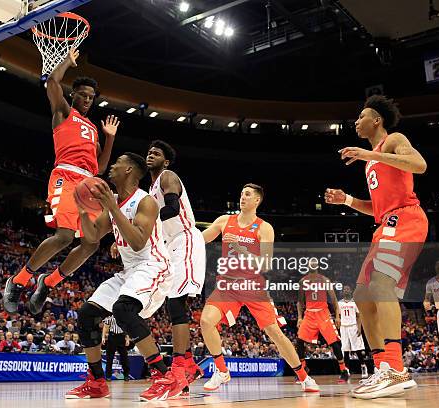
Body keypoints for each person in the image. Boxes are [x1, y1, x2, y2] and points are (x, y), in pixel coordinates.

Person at [325, 95, 427, 399]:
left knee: (382, 286)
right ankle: (383, 367)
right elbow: (377, 207)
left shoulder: (394, 140)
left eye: (361, 116)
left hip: (406, 218)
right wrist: (346, 200)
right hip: (386, 222)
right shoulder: (371, 161)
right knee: (362, 297)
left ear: (376, 120)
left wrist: (374, 154)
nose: (356, 121)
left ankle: (397, 368)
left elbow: (419, 165)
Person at [3, 48, 119, 315]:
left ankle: (48, 282)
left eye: (91, 97)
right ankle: (18, 281)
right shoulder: (64, 112)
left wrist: (109, 137)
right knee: (65, 236)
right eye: (83, 95)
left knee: (92, 243)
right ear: (73, 95)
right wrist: (67, 61)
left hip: (89, 183)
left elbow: (100, 167)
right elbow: (52, 82)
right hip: (66, 177)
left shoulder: (92, 129)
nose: (88, 100)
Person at [66, 153, 184, 401]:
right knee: (88, 313)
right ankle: (97, 381)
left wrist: (111, 208)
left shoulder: (146, 201)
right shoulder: (115, 201)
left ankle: (165, 376)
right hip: (130, 271)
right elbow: (92, 237)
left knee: (123, 309)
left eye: (117, 162)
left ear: (129, 169)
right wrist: (83, 211)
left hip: (154, 265)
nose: (112, 167)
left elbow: (139, 241)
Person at [200, 184, 319, 392]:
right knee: (205, 321)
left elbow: (265, 264)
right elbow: (199, 240)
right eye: (241, 194)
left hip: (253, 286)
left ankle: (303, 376)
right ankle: (221, 371)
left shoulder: (264, 228)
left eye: (247, 194)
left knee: (275, 333)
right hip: (227, 285)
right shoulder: (223, 221)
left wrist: (240, 248)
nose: (242, 197)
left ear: (257, 200)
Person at [146, 140, 205, 389]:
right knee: (171, 304)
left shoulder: (167, 176)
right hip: (170, 246)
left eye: (156, 153)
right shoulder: (150, 190)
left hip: (185, 239)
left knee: (176, 303)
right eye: (149, 152)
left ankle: (178, 368)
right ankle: (189, 364)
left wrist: (141, 225)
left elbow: (172, 208)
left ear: (166, 161)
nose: (150, 155)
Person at [296, 264, 349, 383]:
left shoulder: (325, 280)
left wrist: (337, 316)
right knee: (299, 341)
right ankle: (304, 369)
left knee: (334, 343)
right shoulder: (302, 281)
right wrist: (299, 317)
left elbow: (334, 300)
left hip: (323, 313)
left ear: (317, 267)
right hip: (309, 314)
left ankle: (343, 371)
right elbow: (300, 302)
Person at [339, 285, 370, 378]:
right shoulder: (339, 303)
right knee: (345, 349)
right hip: (343, 327)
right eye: (344, 289)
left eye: (348, 289)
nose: (346, 290)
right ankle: (347, 370)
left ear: (351, 291)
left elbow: (359, 316)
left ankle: (363, 366)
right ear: (342, 292)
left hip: (353, 326)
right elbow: (338, 316)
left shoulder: (354, 302)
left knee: (358, 349)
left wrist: (359, 328)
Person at [102, 315, 130, 381]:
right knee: (109, 358)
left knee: (124, 357)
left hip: (121, 337)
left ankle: (126, 375)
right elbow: (105, 327)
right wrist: (103, 337)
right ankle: (108, 376)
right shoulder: (109, 318)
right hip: (112, 337)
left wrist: (127, 339)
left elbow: (127, 328)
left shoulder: (124, 317)